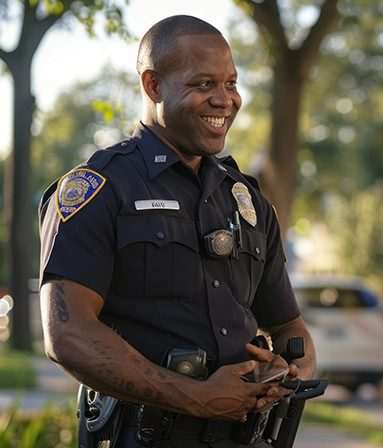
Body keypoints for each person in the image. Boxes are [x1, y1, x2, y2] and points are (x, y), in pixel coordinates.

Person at [38, 15, 315, 447]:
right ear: (152, 85)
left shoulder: (249, 201)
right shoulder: (100, 189)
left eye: (231, 83)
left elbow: (290, 327)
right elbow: (68, 334)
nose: (224, 100)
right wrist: (197, 398)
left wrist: (286, 371)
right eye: (204, 84)